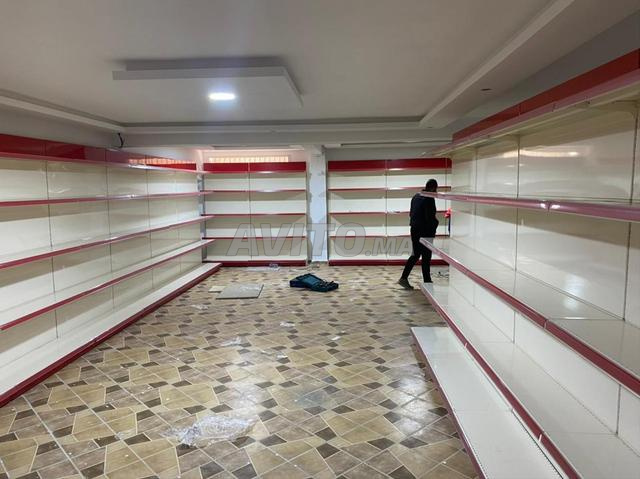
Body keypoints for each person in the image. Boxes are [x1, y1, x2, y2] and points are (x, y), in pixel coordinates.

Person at [398, 179, 439, 289]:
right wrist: (435, 225)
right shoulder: (429, 198)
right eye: (436, 189)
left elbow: (411, 213)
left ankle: (404, 278)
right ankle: (427, 282)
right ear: (433, 188)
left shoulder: (416, 196)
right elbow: (430, 218)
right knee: (426, 256)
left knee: (416, 254)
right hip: (425, 231)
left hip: (414, 229)